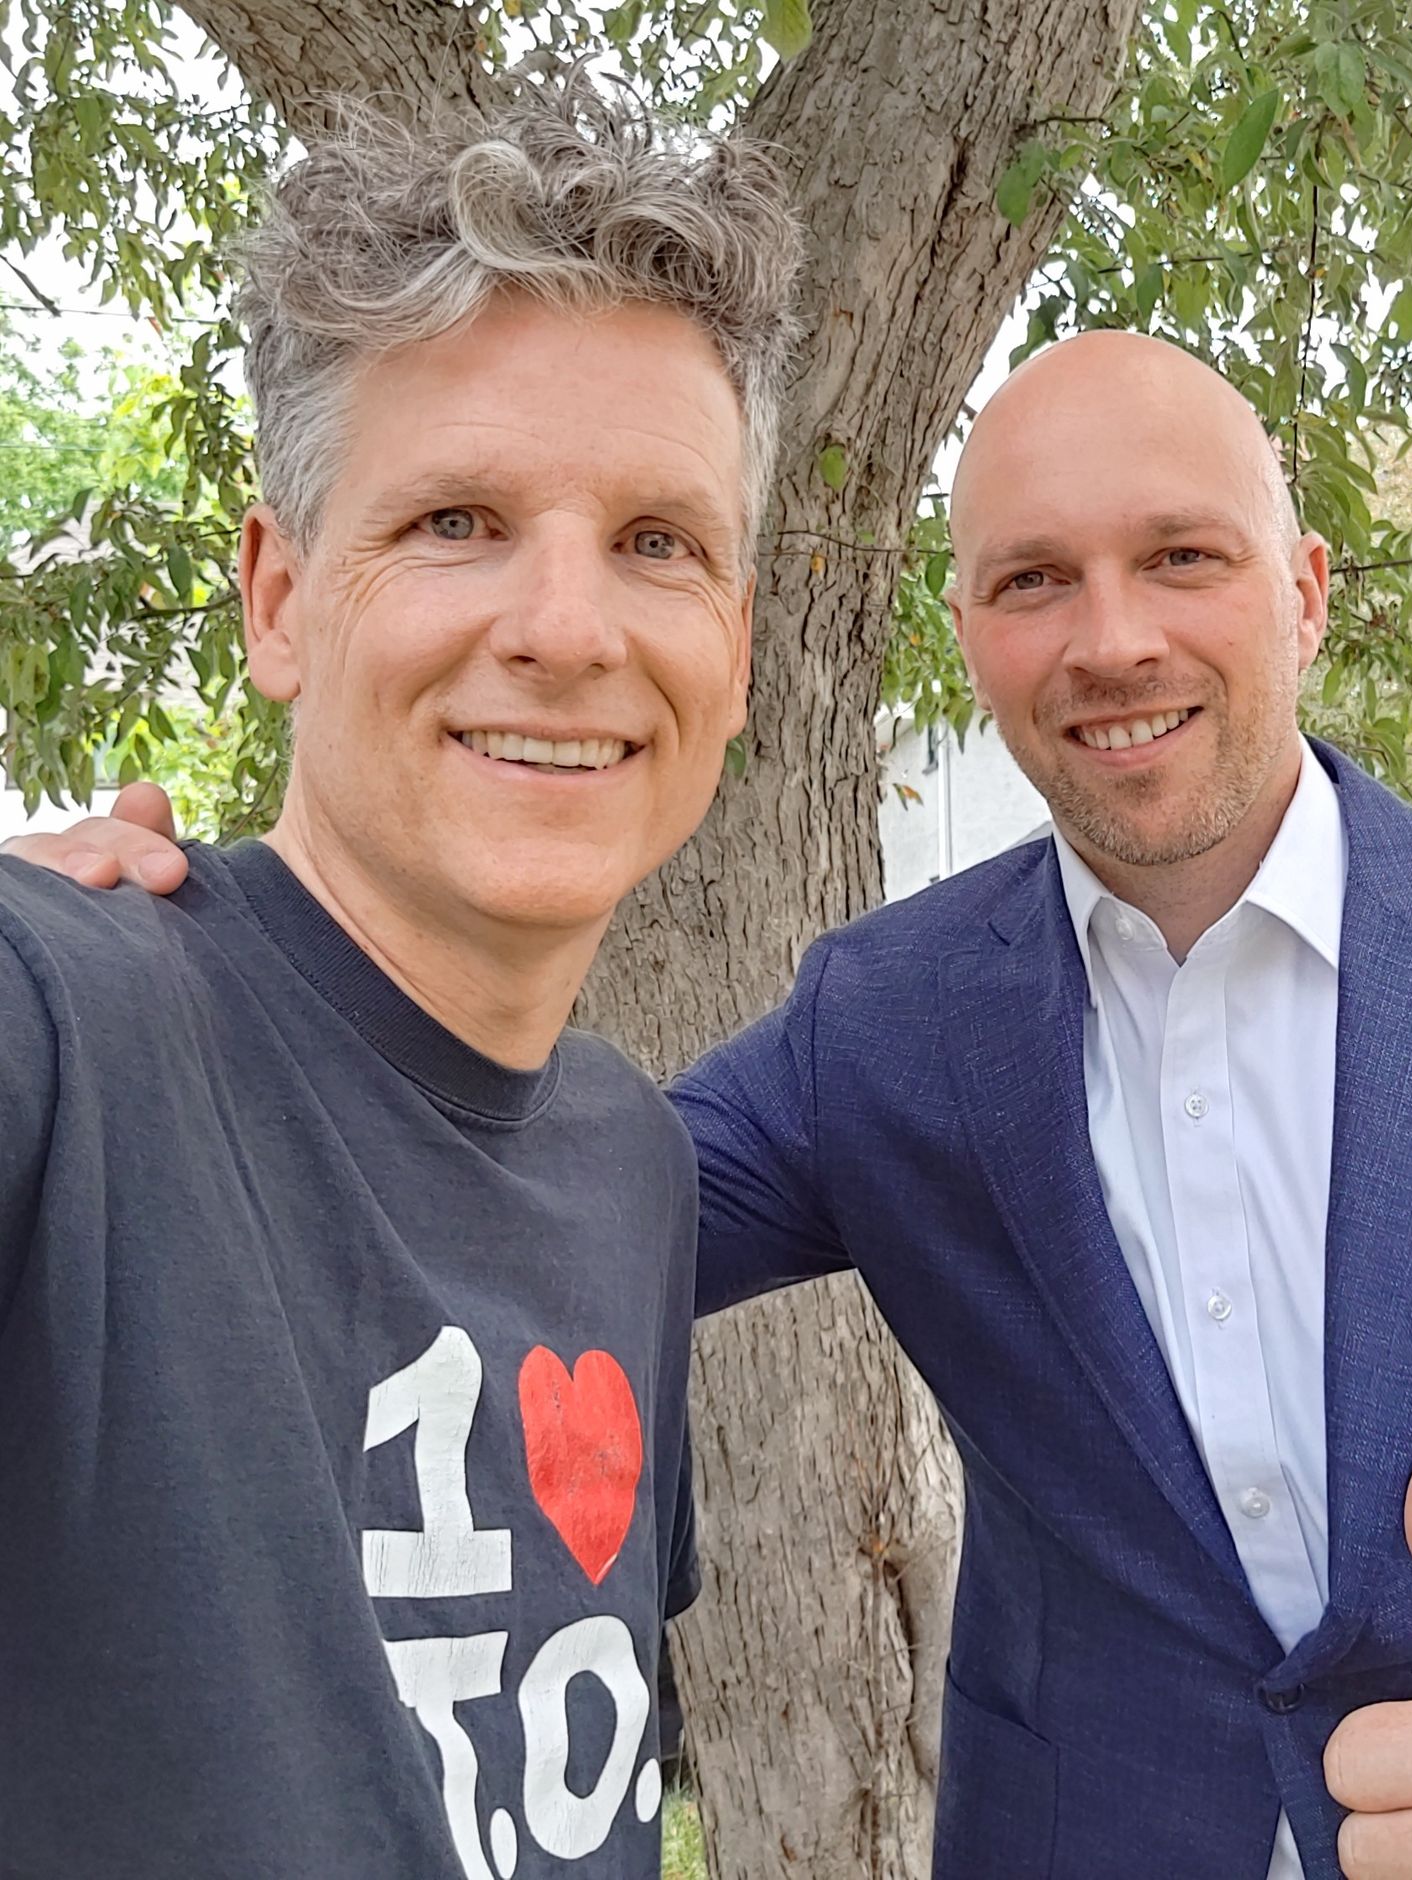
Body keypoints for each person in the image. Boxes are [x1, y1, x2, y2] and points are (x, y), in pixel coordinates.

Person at [29, 334, 1412, 1879]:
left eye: (1182, 559)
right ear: (967, 629)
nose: (1110, 637)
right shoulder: (889, 1022)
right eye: (1032, 579)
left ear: (1304, 589)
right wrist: (162, 967)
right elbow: (492, 1194)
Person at [0, 80, 798, 1877]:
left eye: (657, 544)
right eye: (455, 521)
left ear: (736, 650)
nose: (568, 630)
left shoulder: (634, 1160)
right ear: (281, 601)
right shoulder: (73, 1028)